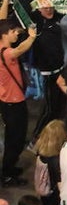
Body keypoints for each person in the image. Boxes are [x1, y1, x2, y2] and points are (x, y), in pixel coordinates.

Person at [0, 20, 35, 185]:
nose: (16, 34)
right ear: (5, 34)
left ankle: (9, 167)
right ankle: (7, 174)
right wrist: (31, 37)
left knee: (14, 138)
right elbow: (20, 50)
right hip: (13, 103)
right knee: (15, 139)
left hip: (8, 101)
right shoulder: (6, 53)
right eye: (13, 32)